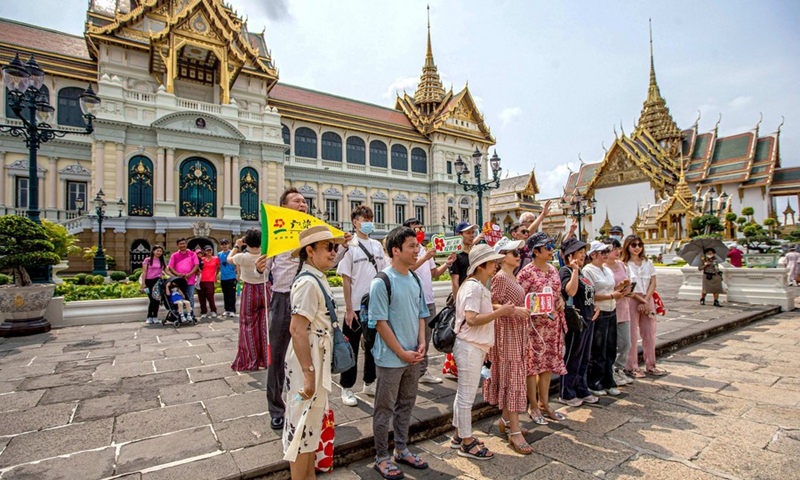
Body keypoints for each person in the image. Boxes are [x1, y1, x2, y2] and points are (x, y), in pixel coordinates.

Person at [282, 225, 346, 479]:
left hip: (316, 354)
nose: (334, 252)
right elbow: (297, 329)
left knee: (310, 428)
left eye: (336, 247)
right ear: (310, 251)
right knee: (301, 428)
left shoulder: (315, 278)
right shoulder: (308, 283)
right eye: (329, 247)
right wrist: (309, 375)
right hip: (307, 359)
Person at [369, 226, 430, 478]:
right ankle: (381, 456)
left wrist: (422, 343)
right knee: (385, 408)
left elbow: (421, 315)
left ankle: (401, 449)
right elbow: (380, 323)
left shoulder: (414, 278)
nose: (417, 251)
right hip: (390, 358)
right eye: (411, 247)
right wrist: (402, 353)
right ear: (395, 250)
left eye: (417, 246)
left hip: (412, 355)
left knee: (407, 404)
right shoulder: (382, 281)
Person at [451, 244, 512, 461]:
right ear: (481, 265)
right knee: (467, 396)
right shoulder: (474, 287)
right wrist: (501, 312)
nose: (495, 266)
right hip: (470, 345)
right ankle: (467, 441)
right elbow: (472, 318)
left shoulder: (475, 285)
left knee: (463, 394)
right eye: (493, 262)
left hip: (473, 345)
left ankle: (459, 434)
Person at [483, 237, 536, 454]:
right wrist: (514, 310)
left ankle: (506, 421)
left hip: (515, 331)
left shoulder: (510, 277)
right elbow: (490, 303)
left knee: (513, 377)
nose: (518, 256)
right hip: (505, 333)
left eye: (519, 253)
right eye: (514, 253)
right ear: (503, 257)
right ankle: (514, 431)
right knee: (513, 379)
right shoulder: (501, 278)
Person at [337, 205, 387, 406]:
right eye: (364, 218)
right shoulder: (350, 246)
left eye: (370, 218)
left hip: (374, 305)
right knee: (350, 348)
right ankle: (347, 388)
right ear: (355, 222)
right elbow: (346, 280)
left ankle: (369, 382)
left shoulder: (377, 245)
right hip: (356, 307)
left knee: (373, 346)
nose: (368, 222)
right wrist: (349, 309)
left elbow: (384, 274)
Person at [516, 232, 569, 423]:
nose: (551, 250)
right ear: (536, 251)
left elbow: (557, 293)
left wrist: (560, 301)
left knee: (547, 365)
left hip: (552, 326)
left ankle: (544, 404)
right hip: (534, 328)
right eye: (547, 248)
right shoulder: (526, 273)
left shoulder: (553, 270)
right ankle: (533, 405)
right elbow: (519, 299)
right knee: (532, 367)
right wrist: (537, 307)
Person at [405, 218, 455, 385]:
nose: (419, 231)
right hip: (412, 301)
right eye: (415, 229)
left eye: (421, 228)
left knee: (425, 338)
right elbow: (405, 269)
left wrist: (447, 264)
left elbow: (434, 274)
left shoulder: (426, 249)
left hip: (428, 300)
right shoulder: (410, 251)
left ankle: (422, 371)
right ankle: (409, 372)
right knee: (412, 338)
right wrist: (425, 257)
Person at [558, 237, 599, 407]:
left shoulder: (581, 272)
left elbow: (587, 293)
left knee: (584, 357)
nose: (582, 256)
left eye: (583, 253)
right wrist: (574, 270)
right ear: (569, 255)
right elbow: (571, 292)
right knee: (573, 356)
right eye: (579, 253)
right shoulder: (566, 272)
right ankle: (567, 391)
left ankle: (582, 387)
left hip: (589, 318)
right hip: (576, 321)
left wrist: (595, 306)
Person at [582, 241, 623, 397]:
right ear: (593, 254)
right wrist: (612, 295)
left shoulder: (606, 269)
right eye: (603, 252)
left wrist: (620, 289)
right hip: (600, 311)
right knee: (598, 349)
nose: (606, 254)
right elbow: (590, 295)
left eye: (607, 251)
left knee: (610, 348)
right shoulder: (588, 271)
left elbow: (610, 288)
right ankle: (594, 382)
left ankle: (608, 380)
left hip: (611, 309)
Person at [622, 235, 667, 377]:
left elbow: (653, 283)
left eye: (639, 244)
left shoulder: (647, 262)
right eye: (633, 245)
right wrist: (640, 300)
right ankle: (632, 366)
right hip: (632, 299)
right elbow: (626, 287)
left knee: (649, 333)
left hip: (647, 299)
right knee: (632, 335)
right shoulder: (624, 264)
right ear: (627, 247)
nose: (637, 248)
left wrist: (646, 301)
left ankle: (651, 365)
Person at [228, 229, 269, 372]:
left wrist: (236, 245)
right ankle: (267, 358)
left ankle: (251, 359)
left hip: (250, 290)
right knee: (266, 326)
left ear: (246, 241)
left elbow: (228, 259)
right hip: (265, 289)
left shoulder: (242, 257)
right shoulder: (267, 256)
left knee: (248, 325)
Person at [603, 237, 634, 387]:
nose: (617, 251)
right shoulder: (601, 268)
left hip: (623, 306)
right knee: (610, 344)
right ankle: (610, 372)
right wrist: (618, 288)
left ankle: (619, 368)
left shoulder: (622, 265)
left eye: (617, 248)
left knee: (625, 343)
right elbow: (604, 291)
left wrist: (627, 288)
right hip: (609, 307)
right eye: (613, 249)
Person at [166, 238, 200, 310]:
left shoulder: (192, 254)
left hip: (190, 280)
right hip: (179, 281)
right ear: (177, 245)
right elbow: (171, 267)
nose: (182, 245)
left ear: (186, 244)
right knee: (180, 297)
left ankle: (191, 314)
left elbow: (196, 265)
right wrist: (178, 274)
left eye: (184, 243)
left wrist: (189, 274)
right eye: (180, 244)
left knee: (190, 297)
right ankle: (181, 315)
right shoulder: (174, 255)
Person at [140, 245, 165, 324]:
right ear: (153, 251)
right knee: (152, 299)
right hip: (149, 282)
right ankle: (149, 316)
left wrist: (175, 276)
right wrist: (143, 284)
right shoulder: (148, 260)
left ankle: (155, 317)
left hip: (158, 282)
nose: (159, 253)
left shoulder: (161, 260)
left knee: (157, 300)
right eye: (157, 251)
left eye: (160, 251)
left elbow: (166, 271)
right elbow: (144, 272)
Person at [217, 239, 239, 317]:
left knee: (232, 294)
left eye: (226, 244)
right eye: (223, 244)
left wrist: (238, 275)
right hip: (223, 277)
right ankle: (227, 309)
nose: (224, 246)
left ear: (228, 244)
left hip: (232, 276)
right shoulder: (219, 254)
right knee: (225, 294)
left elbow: (237, 265)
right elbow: (218, 266)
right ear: (220, 245)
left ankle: (232, 310)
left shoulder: (232, 253)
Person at [197, 245, 220, 319]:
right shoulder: (202, 259)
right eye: (207, 250)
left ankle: (213, 311)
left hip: (210, 280)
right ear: (204, 252)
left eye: (210, 250)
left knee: (210, 296)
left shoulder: (215, 258)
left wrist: (215, 274)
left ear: (212, 251)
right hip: (201, 280)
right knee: (201, 297)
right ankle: (203, 311)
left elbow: (218, 267)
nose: (209, 252)